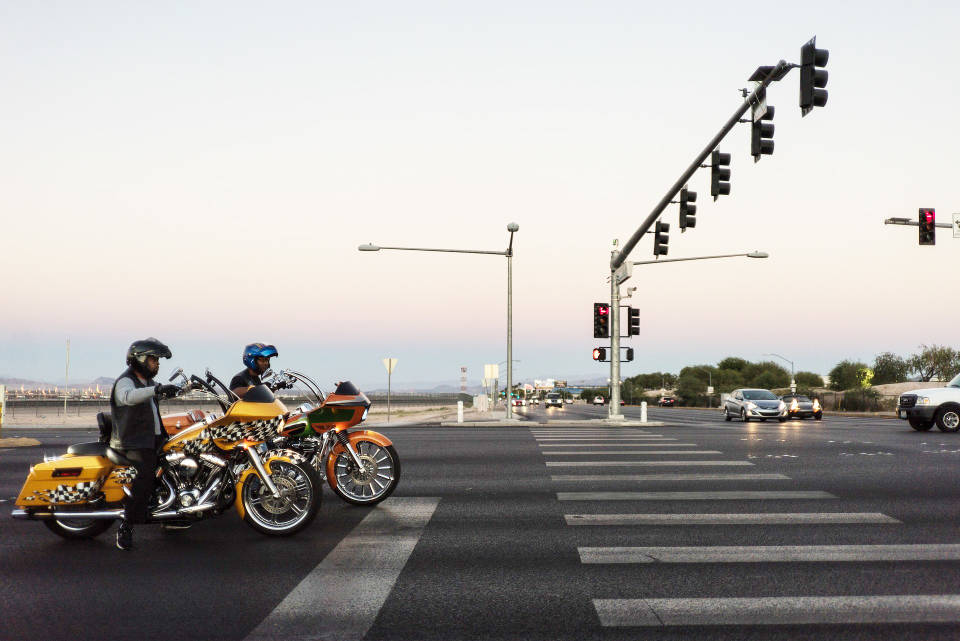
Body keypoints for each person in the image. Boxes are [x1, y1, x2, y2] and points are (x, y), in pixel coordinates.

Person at [109, 337, 179, 551]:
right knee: (146, 472)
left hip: (151, 439)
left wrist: (178, 389)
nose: (157, 364)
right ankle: (126, 525)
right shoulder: (126, 381)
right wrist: (156, 390)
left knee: (176, 462)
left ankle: (172, 513)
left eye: (157, 360)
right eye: (153, 359)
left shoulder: (147, 382)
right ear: (139, 359)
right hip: (131, 441)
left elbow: (155, 392)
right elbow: (128, 397)